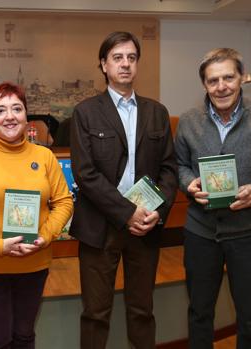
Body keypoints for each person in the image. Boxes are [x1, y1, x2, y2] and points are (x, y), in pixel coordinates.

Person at [174, 48, 251, 349]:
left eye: (228, 77)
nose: (222, 86)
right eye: (213, 80)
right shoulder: (189, 121)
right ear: (204, 85)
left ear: (242, 77)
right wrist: (190, 183)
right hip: (201, 234)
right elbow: (179, 166)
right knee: (199, 314)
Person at [69, 31, 178, 348]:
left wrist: (155, 214)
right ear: (104, 64)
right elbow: (86, 174)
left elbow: (169, 169)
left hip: (146, 227)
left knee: (142, 310)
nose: (125, 64)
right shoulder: (86, 112)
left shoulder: (157, 112)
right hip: (99, 228)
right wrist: (127, 212)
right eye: (117, 58)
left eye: (131, 57)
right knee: (95, 313)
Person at [0, 82, 73, 349]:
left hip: (34, 263)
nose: (9, 116)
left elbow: (64, 202)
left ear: (26, 116)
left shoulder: (45, 157)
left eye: (16, 108)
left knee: (24, 336)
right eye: (0, 110)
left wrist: (44, 236)